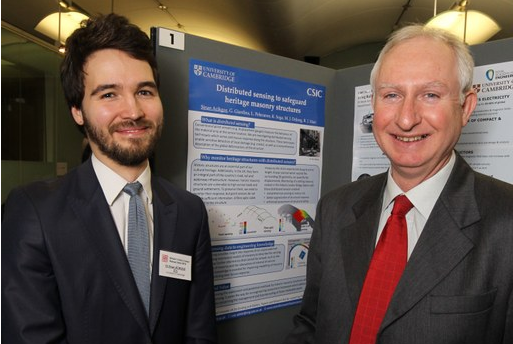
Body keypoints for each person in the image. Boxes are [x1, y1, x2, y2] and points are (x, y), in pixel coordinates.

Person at [284, 24, 513, 344]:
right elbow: (311, 322)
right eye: (392, 95)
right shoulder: (335, 208)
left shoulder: (506, 219)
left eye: (430, 95)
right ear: (374, 105)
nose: (406, 119)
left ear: (466, 107)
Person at [2, 14, 217, 344]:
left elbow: (199, 332)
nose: (133, 111)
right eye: (108, 94)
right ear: (77, 110)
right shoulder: (34, 212)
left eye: (144, 91)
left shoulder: (189, 212)